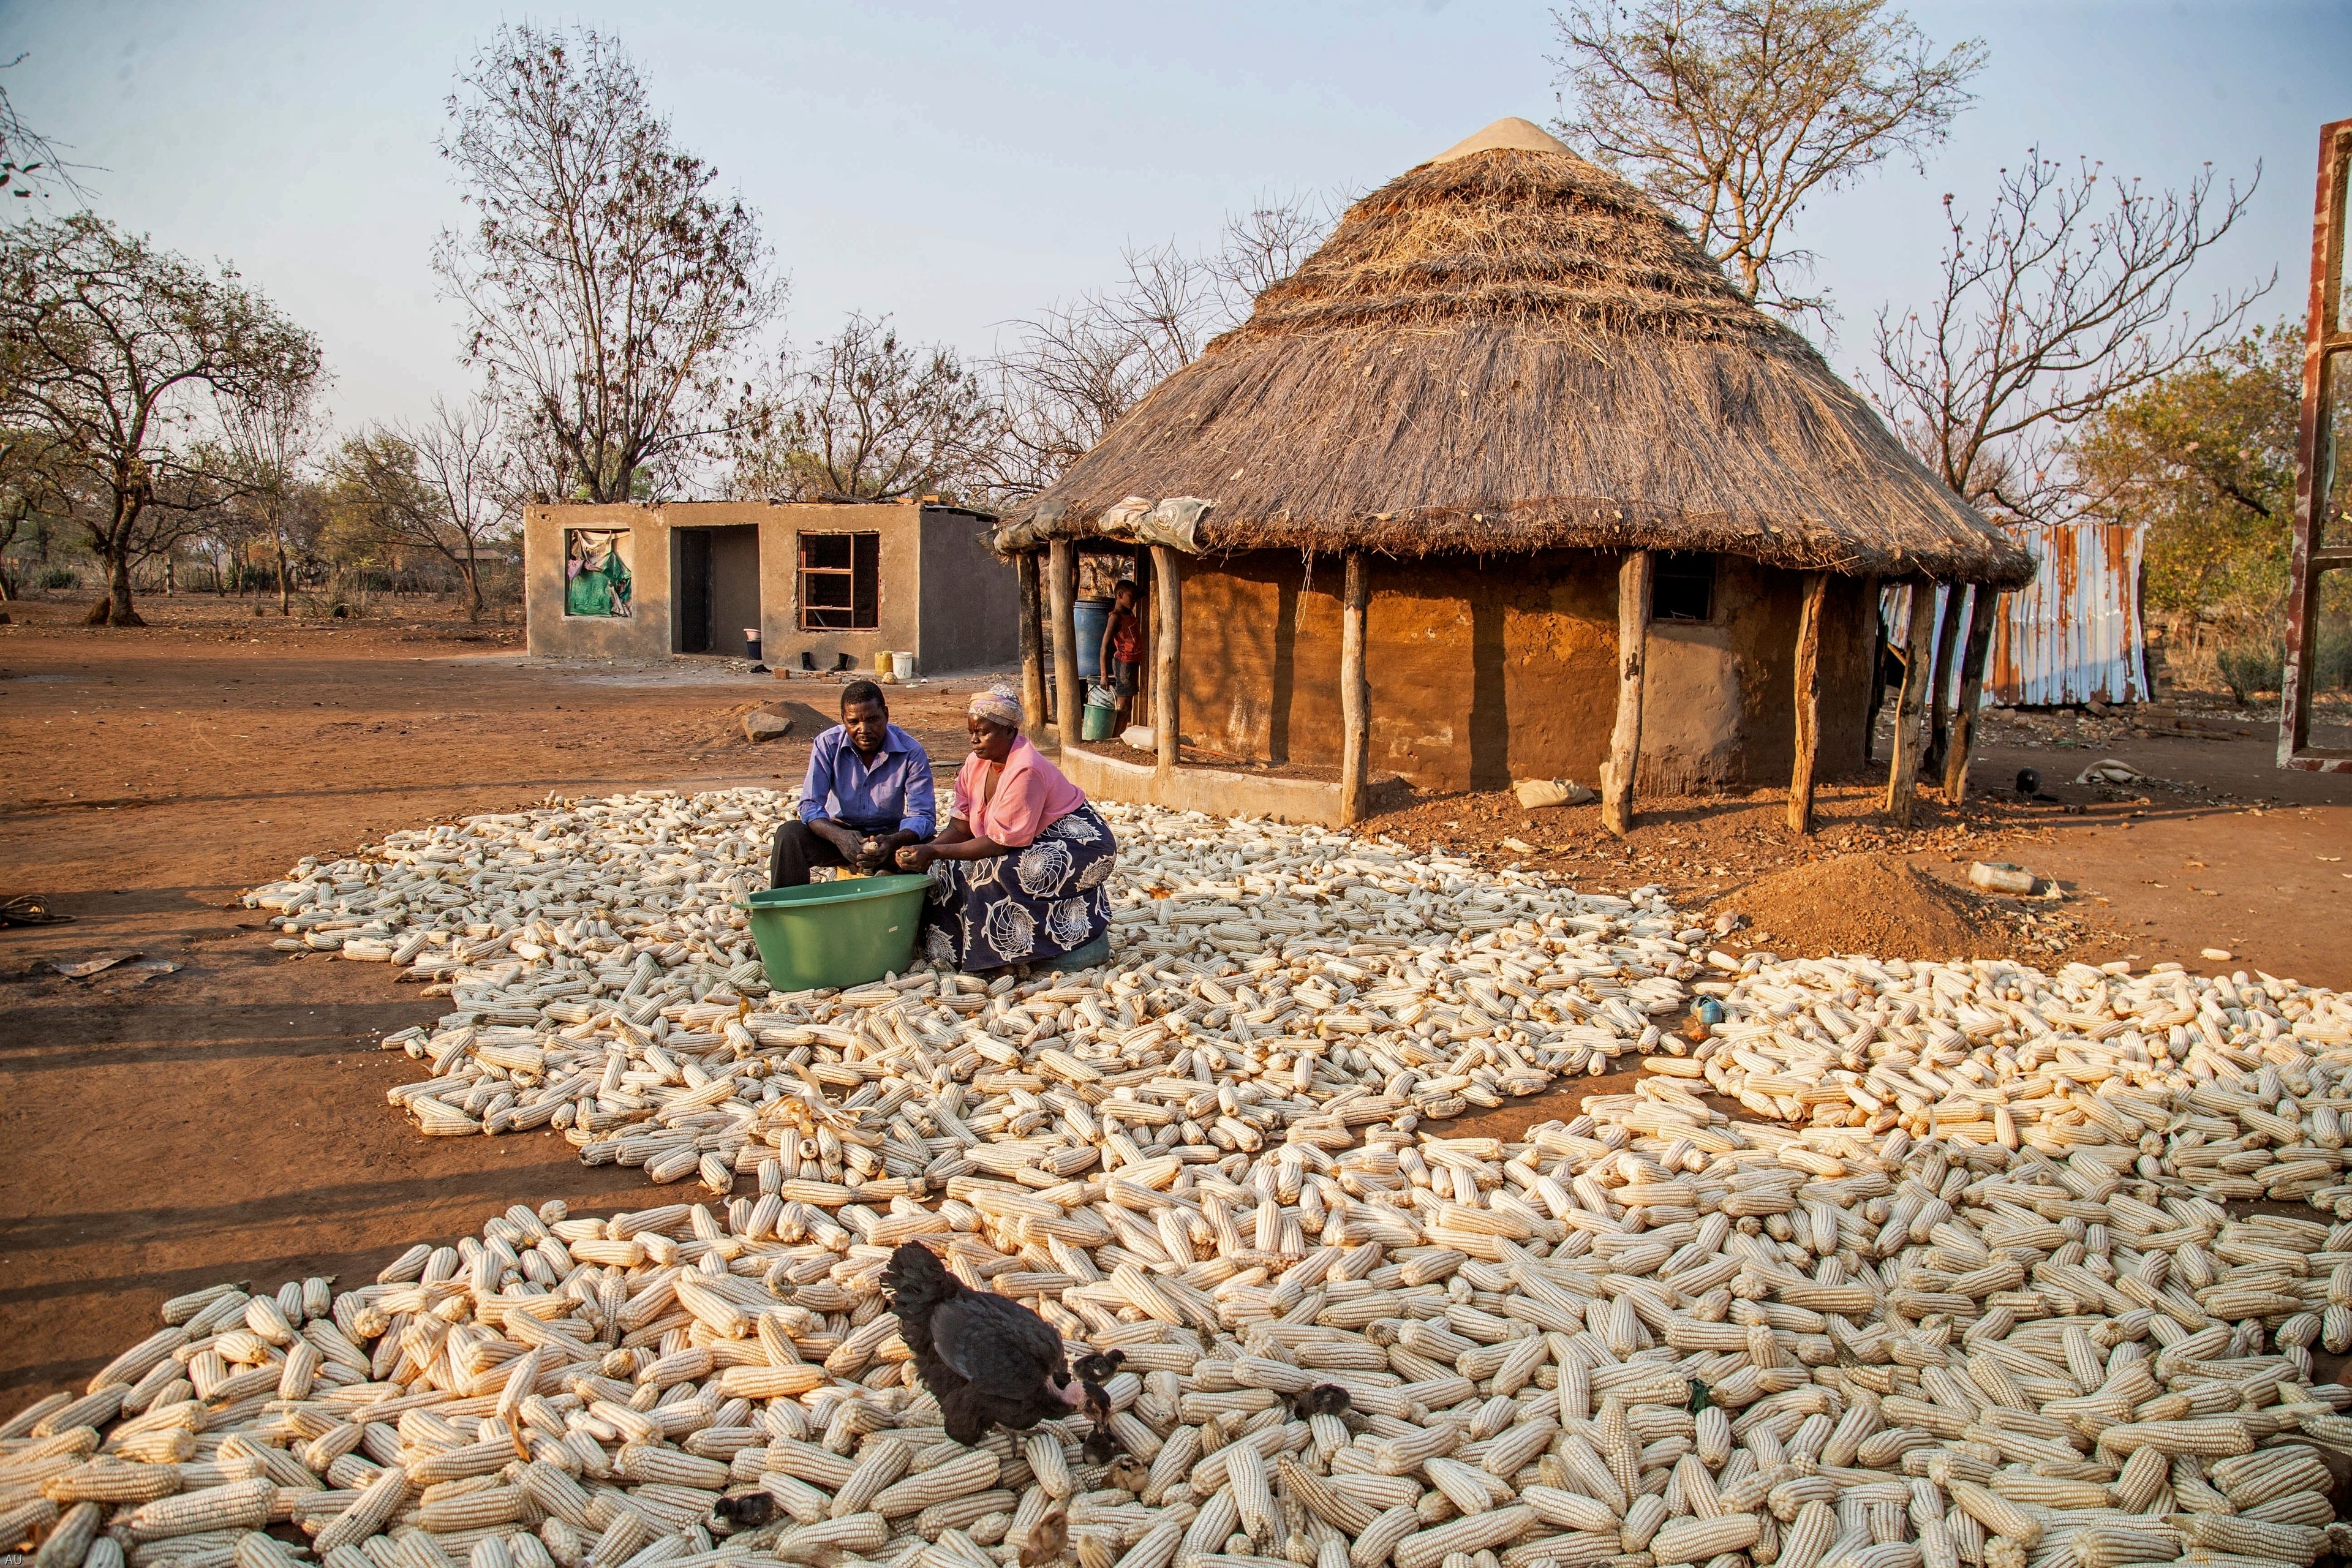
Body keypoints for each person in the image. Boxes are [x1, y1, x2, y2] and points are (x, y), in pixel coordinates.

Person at [895, 685, 1116, 970]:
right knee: (943, 869)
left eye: (983, 732)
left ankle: (1002, 957)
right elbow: (960, 827)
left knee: (992, 872)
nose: (974, 740)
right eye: (971, 732)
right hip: (1026, 838)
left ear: (1010, 732)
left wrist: (935, 850)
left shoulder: (1026, 769)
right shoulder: (975, 764)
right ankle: (951, 952)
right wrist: (926, 851)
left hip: (1078, 842)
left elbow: (1000, 844)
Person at [771, 680, 936, 886]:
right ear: (843, 720)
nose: (864, 729)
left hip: (888, 837)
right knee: (790, 835)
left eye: (873, 720)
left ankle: (904, 895)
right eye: (854, 722)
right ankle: (787, 912)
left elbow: (923, 815)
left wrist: (892, 841)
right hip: (838, 836)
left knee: (930, 844)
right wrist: (840, 838)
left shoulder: (911, 751)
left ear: (886, 714)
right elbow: (810, 805)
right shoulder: (827, 744)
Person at [1096, 579, 1142, 730]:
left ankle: (1121, 734)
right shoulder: (1115, 617)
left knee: (1129, 704)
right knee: (1123, 705)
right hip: (1124, 664)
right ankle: (1115, 736)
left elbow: (1140, 594)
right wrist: (1104, 675)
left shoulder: (1128, 612)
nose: (1134, 600)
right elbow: (1104, 647)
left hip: (1132, 663)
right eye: (1131, 597)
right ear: (1120, 595)